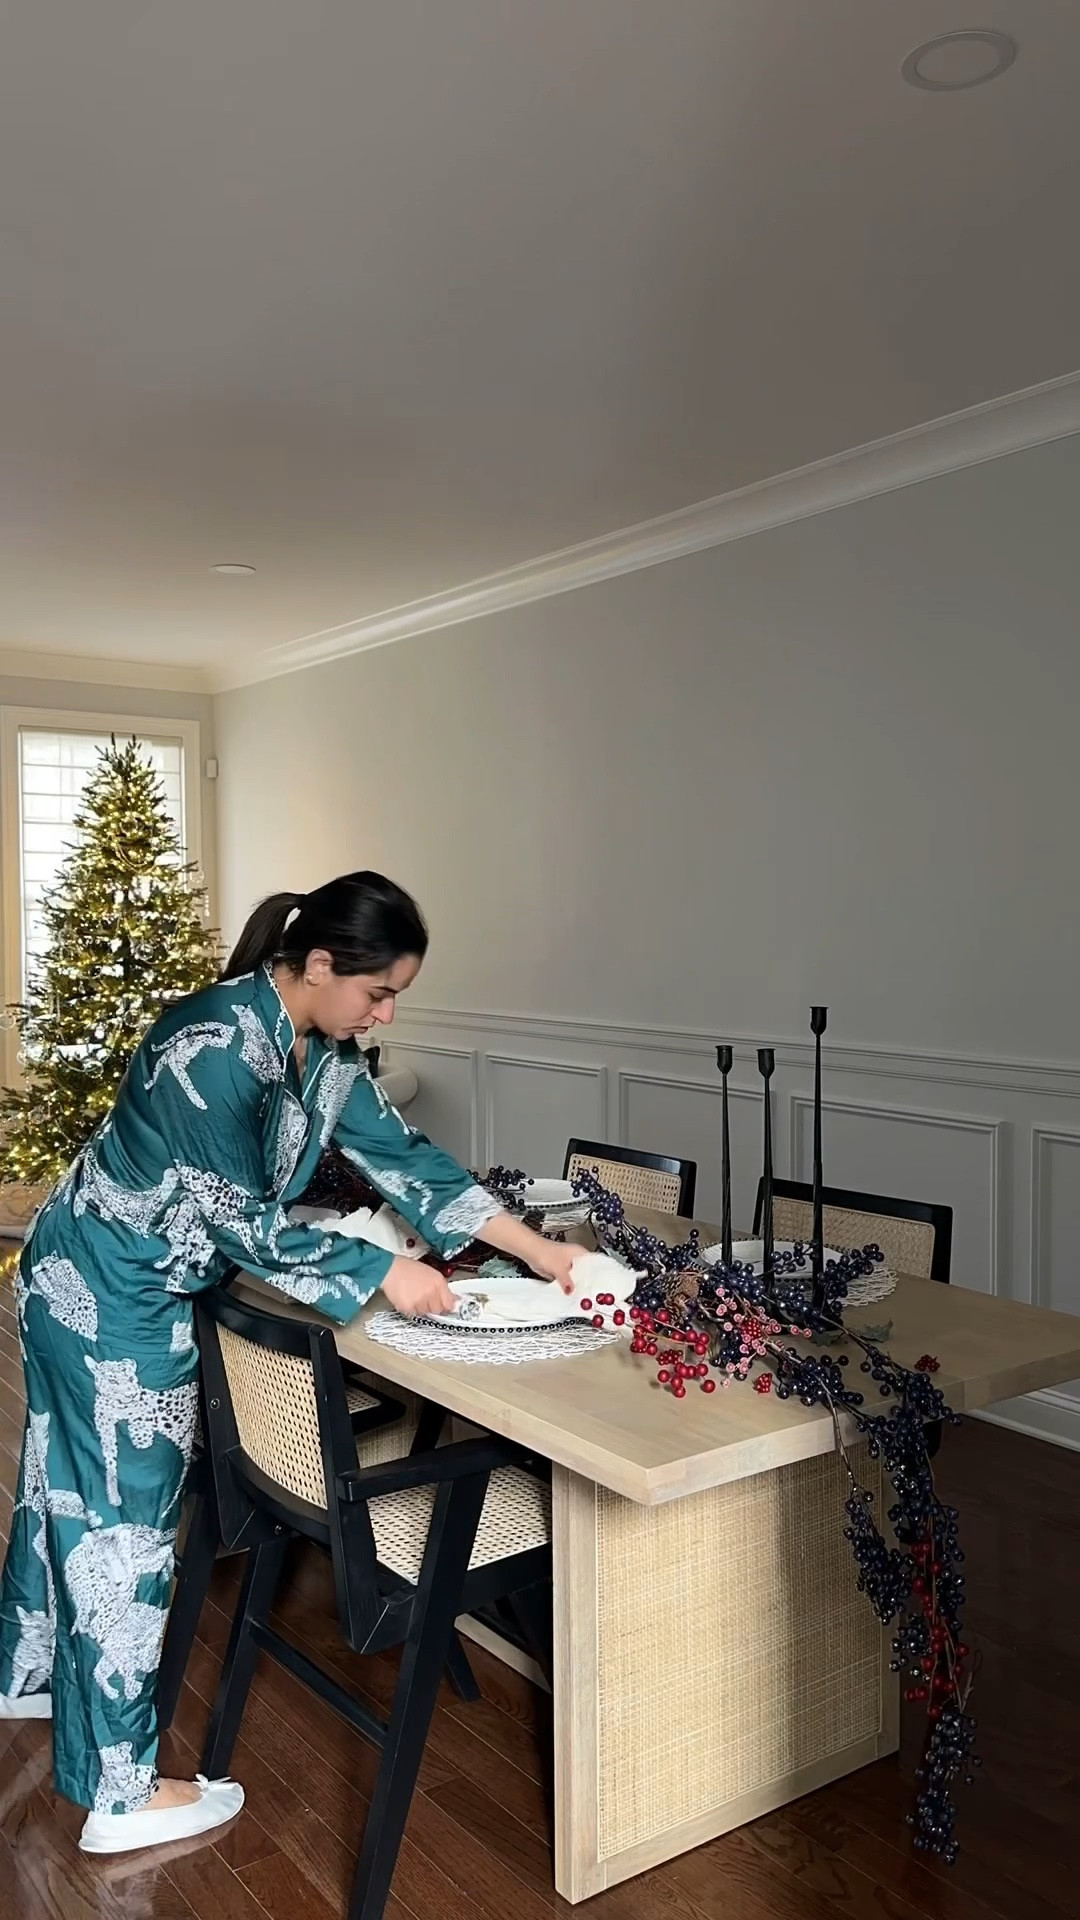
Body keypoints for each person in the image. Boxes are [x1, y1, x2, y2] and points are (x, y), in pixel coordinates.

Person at [0, 871, 577, 1855]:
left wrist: (539, 1251)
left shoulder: (322, 1049)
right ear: (318, 966)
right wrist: (382, 1270)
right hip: (109, 1293)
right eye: (378, 990)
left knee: (65, 1482)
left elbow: (408, 1157)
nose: (386, 1010)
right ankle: (120, 1794)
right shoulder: (210, 1047)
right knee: (125, 1527)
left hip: (102, 1276)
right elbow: (240, 1225)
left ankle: (28, 1672)